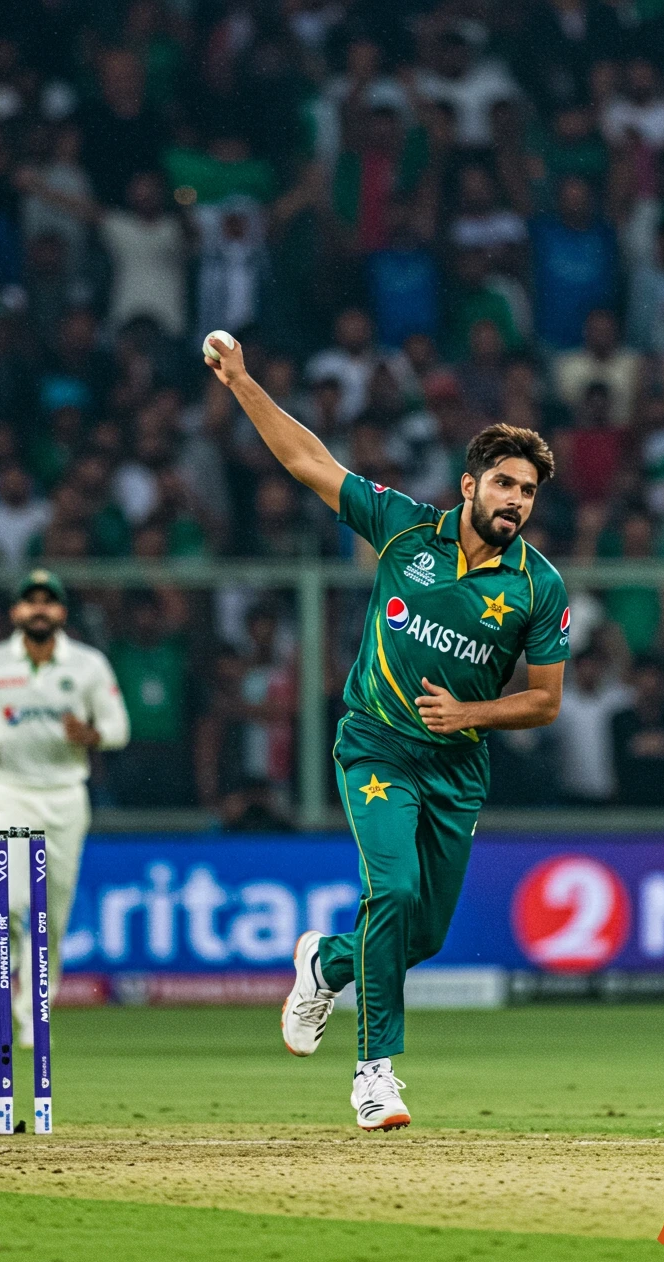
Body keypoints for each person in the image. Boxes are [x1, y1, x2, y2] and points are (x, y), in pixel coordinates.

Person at [204, 334, 569, 1131]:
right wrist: (242, 382)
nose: (515, 501)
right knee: (393, 893)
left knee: (422, 934)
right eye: (504, 483)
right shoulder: (405, 529)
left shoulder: (540, 587)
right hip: (377, 746)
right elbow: (306, 460)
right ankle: (375, 1076)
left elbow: (545, 702)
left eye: (528, 492)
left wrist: (471, 714)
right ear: (469, 485)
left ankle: (324, 962)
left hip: (457, 768)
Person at [0, 569, 130, 1046]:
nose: (40, 609)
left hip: (65, 795)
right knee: (10, 901)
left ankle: (33, 1012)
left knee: (52, 913)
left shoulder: (88, 665)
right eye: (31, 601)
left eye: (49, 601)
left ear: (62, 612)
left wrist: (91, 735)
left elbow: (118, 727)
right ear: (16, 612)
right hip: (7, 790)